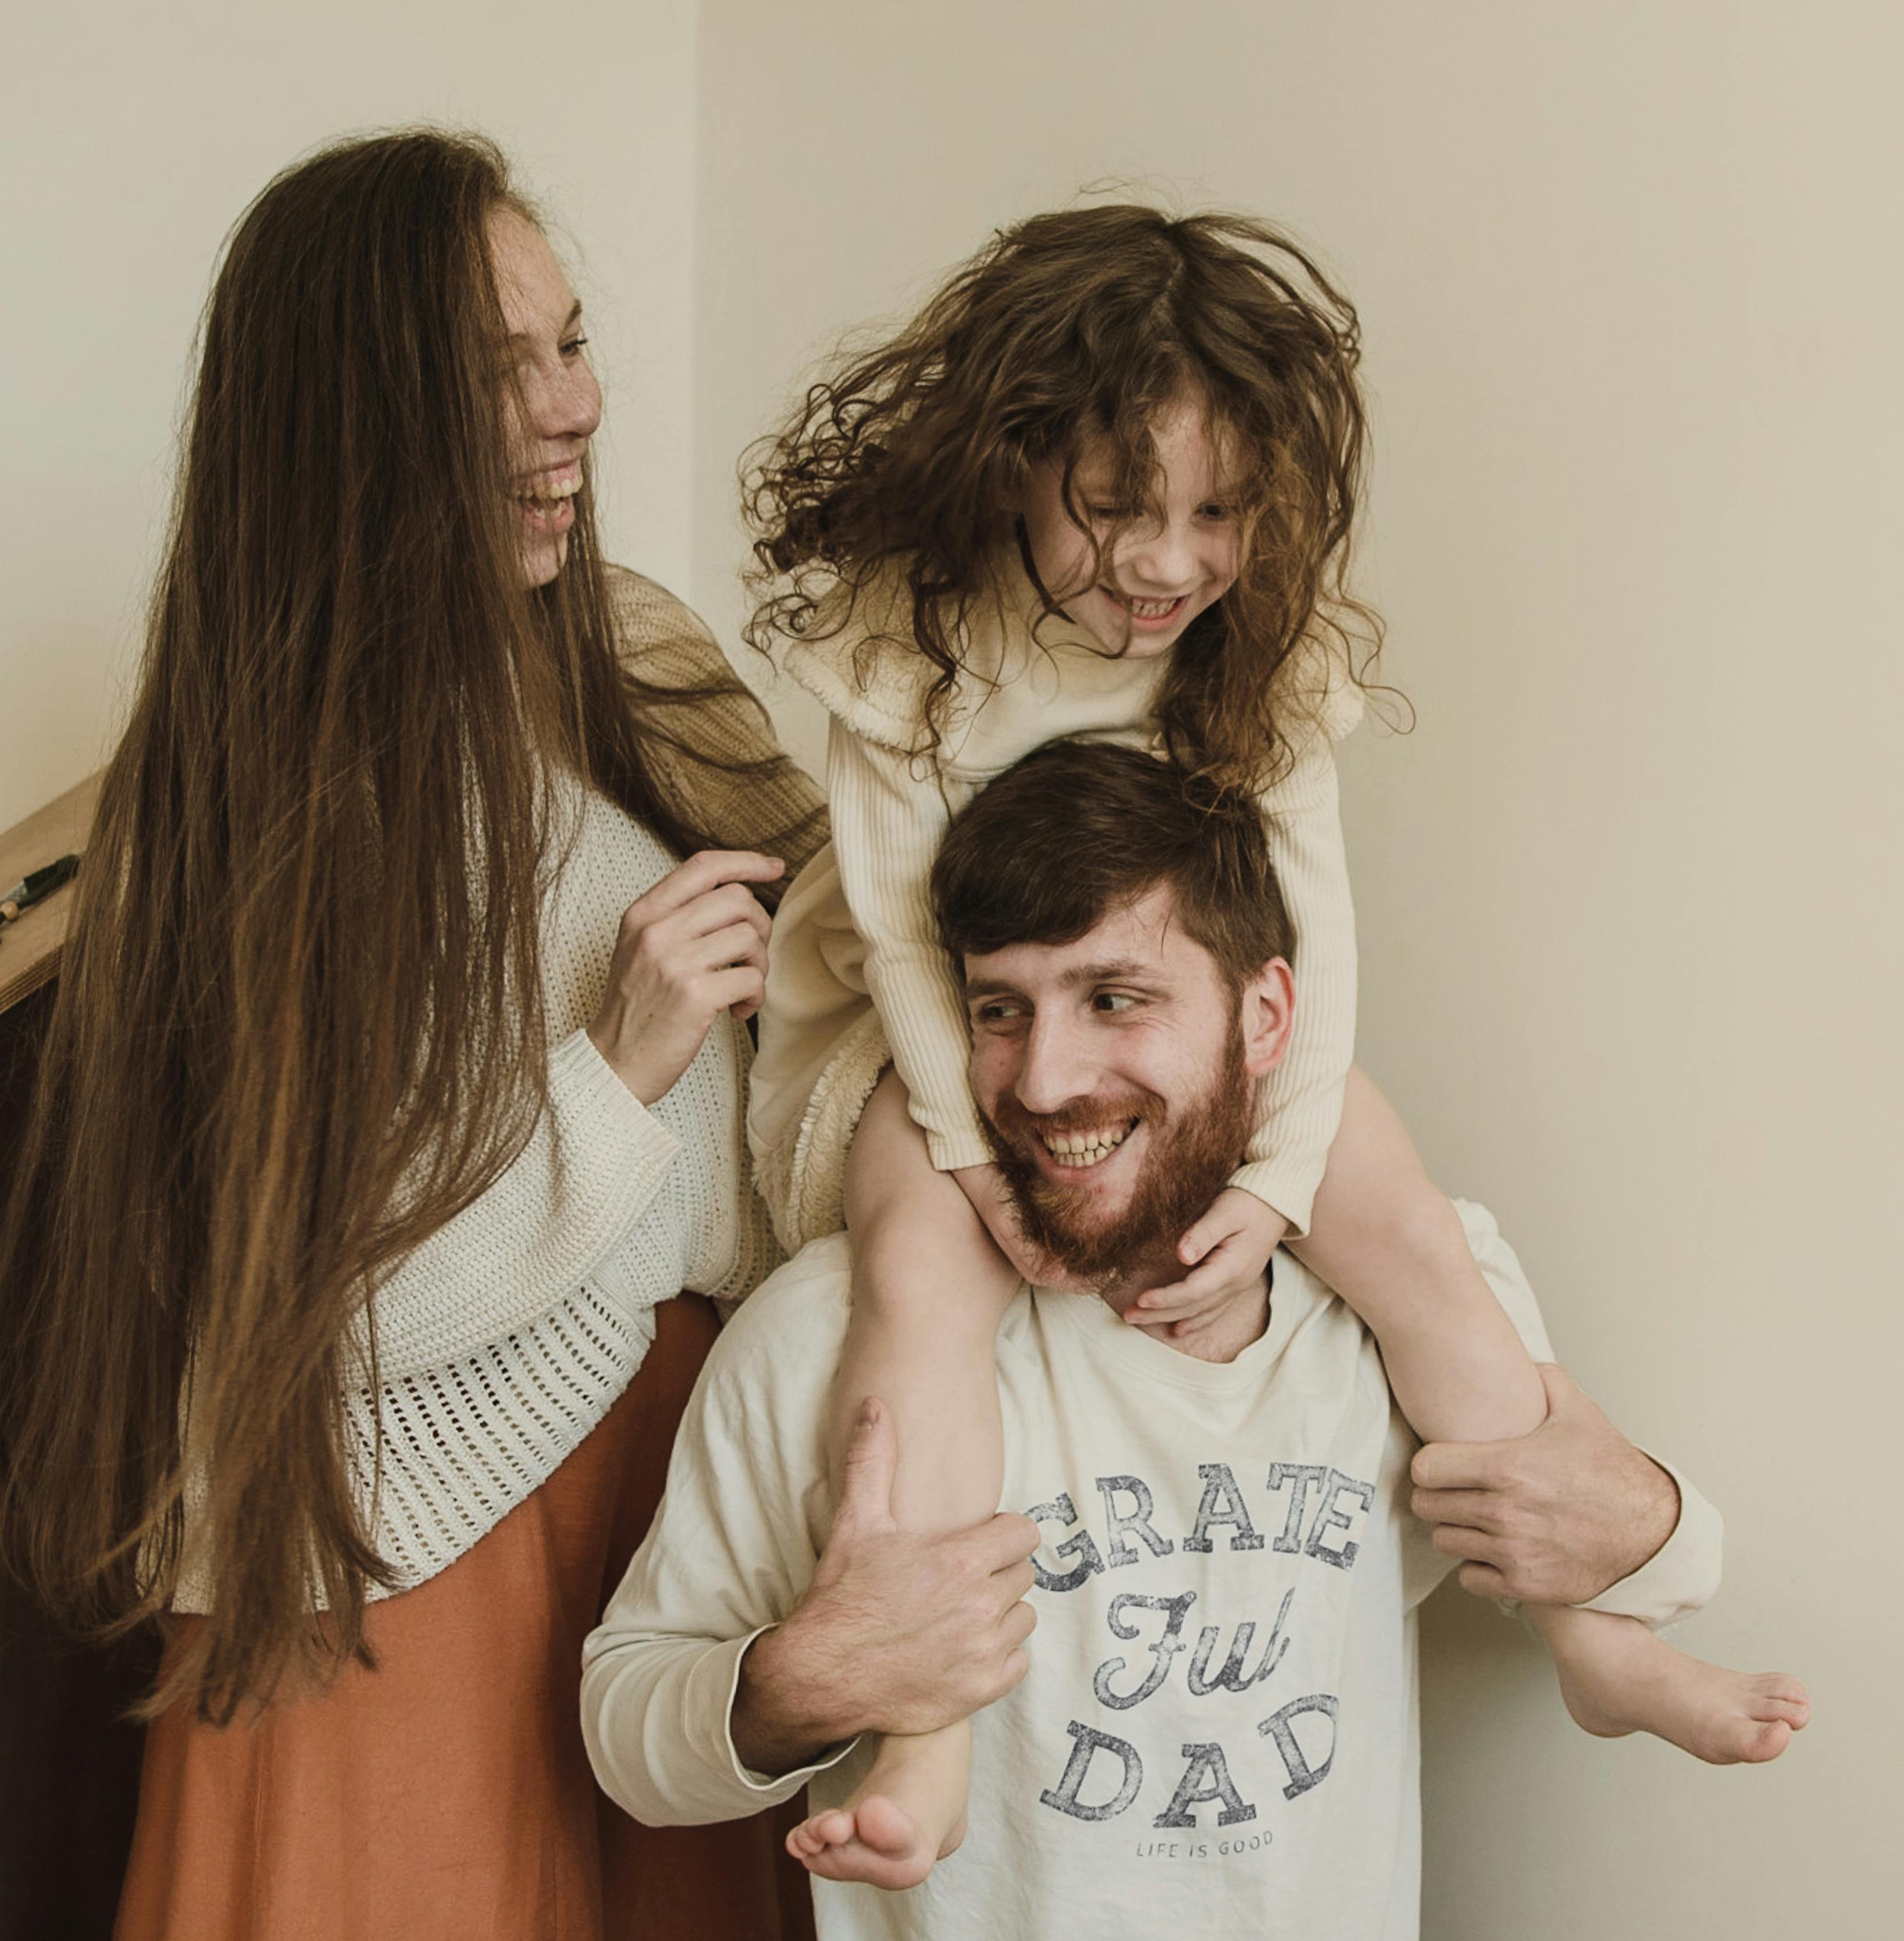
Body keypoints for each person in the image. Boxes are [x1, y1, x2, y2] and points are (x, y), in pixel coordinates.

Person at [738, 205, 1805, 1886]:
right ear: (1014, 467)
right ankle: (926, 1721)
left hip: (1178, 1032)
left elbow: (1317, 917)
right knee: (921, 1287)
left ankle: (1598, 1629)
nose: (1163, 564)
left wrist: (1291, 1171)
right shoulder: (911, 635)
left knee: (1417, 1239)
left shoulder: (1257, 645)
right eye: (1113, 510)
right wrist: (971, 1162)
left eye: (1215, 514)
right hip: (921, 1035)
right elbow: (892, 937)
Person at [0, 130, 826, 1941]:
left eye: (570, 341)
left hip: (665, 1497)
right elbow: (312, 1310)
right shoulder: (267, 790)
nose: (571, 405)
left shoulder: (634, 658)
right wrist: (624, 1064)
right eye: (494, 369)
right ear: (355, 420)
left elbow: (869, 948)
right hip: (416, 1541)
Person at [584, 740, 1774, 1939]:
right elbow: (625, 1733)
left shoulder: (1401, 1290)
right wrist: (798, 1684)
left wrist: (1656, 1530)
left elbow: (1622, 1546)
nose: (1045, 1080)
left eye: (1114, 998)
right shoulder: (828, 1329)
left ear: (1265, 1018)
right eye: (1001, 1009)